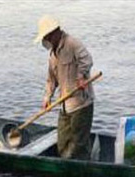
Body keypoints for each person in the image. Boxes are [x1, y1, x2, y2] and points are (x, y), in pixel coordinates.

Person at [35, 15, 97, 160]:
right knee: (62, 144)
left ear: (55, 32)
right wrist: (47, 97)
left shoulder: (72, 44)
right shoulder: (53, 55)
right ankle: (70, 164)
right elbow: (51, 80)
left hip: (81, 104)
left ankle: (82, 167)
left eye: (48, 36)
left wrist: (81, 77)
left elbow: (87, 60)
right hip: (64, 105)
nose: (48, 40)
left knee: (78, 146)